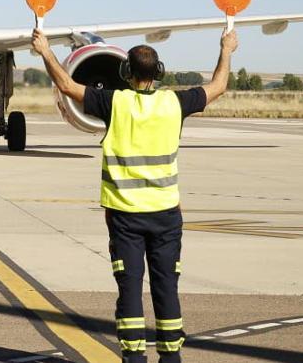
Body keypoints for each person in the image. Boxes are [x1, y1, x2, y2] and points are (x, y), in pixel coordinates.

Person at [32, 27, 238, 362]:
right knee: (166, 288)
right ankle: (171, 357)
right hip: (167, 215)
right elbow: (218, 86)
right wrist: (227, 49)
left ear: (126, 72)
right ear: (158, 73)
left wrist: (45, 51)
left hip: (125, 216)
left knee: (130, 289)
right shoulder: (175, 103)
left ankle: (133, 357)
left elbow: (67, 86)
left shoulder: (115, 102)